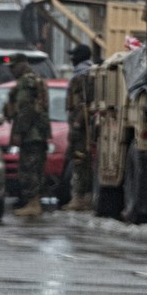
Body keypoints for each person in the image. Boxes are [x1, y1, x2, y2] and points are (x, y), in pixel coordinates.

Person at [3, 52, 52, 217]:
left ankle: (33, 203)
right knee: (36, 167)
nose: (11, 70)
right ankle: (34, 202)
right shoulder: (36, 78)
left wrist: (18, 132)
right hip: (38, 132)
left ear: (22, 64)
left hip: (32, 133)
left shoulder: (26, 82)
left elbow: (24, 110)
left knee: (29, 168)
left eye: (13, 66)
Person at [62, 44, 95, 212]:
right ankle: (83, 197)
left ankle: (80, 198)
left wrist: (77, 123)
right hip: (79, 127)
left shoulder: (83, 76)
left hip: (81, 129)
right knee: (80, 160)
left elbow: (84, 103)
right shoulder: (83, 74)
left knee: (79, 160)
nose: (71, 59)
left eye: (74, 56)